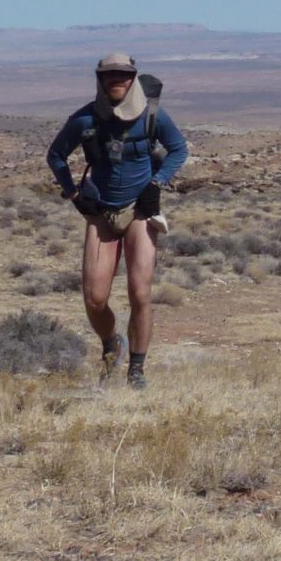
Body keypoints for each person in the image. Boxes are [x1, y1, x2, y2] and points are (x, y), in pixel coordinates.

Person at [46, 53, 188, 389]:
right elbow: (55, 156)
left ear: (133, 77)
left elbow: (178, 149)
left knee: (140, 293)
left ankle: (136, 370)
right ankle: (112, 343)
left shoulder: (152, 116)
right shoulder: (85, 119)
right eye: (109, 75)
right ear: (99, 79)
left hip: (140, 210)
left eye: (123, 74)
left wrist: (157, 183)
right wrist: (75, 195)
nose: (116, 80)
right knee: (94, 299)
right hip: (101, 211)